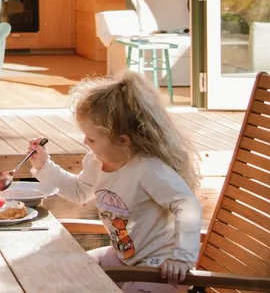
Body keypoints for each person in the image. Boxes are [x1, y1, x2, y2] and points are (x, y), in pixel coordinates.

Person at [28, 73, 202, 293]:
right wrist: (44, 165)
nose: (85, 142)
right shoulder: (96, 161)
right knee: (68, 272)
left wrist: (182, 258)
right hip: (124, 258)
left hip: (162, 267)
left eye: (91, 139)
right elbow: (79, 192)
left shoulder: (148, 169)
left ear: (123, 141)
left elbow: (188, 206)